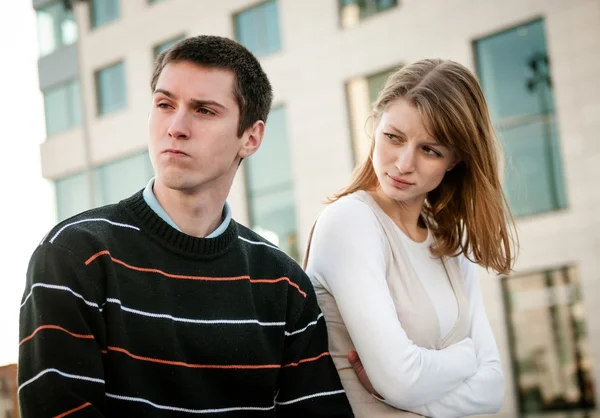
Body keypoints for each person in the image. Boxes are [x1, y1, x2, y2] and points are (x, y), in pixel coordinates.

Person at [18, 35, 353, 418]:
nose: (176, 127)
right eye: (164, 104)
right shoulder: (74, 255)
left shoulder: (283, 282)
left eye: (204, 111)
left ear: (251, 137)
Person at [304, 58, 517, 417]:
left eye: (430, 150)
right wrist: (467, 359)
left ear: (454, 161)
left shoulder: (450, 245)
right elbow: (401, 381)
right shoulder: (350, 222)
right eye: (393, 137)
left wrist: (411, 389)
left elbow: (493, 388)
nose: (403, 163)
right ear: (375, 125)